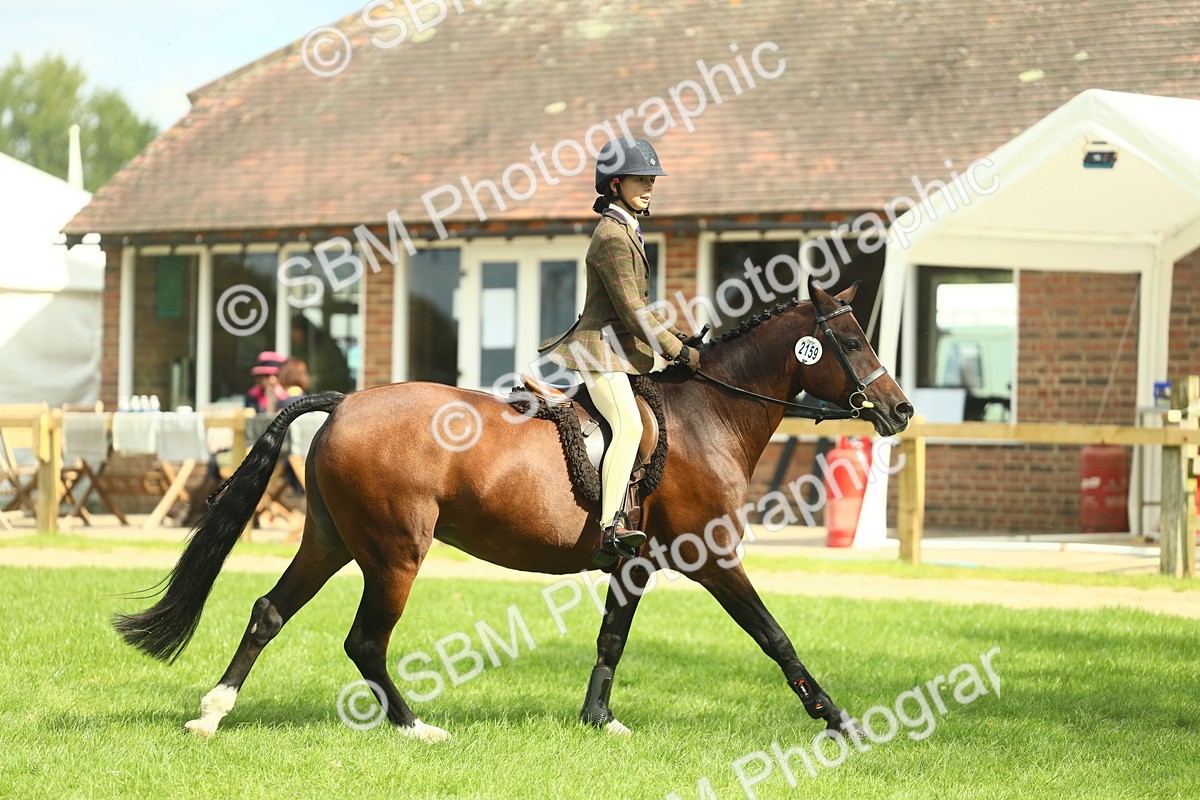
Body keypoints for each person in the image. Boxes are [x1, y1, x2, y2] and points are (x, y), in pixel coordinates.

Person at [541, 137, 700, 567]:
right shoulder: (612, 235)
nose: (648, 187)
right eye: (640, 180)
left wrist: (679, 338)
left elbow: (641, 307)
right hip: (600, 353)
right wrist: (675, 351)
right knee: (628, 427)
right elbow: (632, 311)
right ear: (614, 185)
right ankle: (610, 527)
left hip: (618, 351)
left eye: (651, 179)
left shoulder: (629, 228)